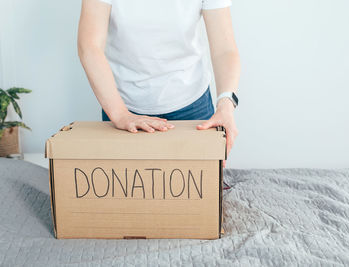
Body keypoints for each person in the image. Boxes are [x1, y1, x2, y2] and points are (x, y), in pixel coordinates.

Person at [77, 0, 240, 167]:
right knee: (125, 189)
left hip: (192, 107)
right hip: (122, 107)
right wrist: (120, 114)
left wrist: (226, 104)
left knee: (200, 189)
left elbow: (224, 50)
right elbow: (89, 47)